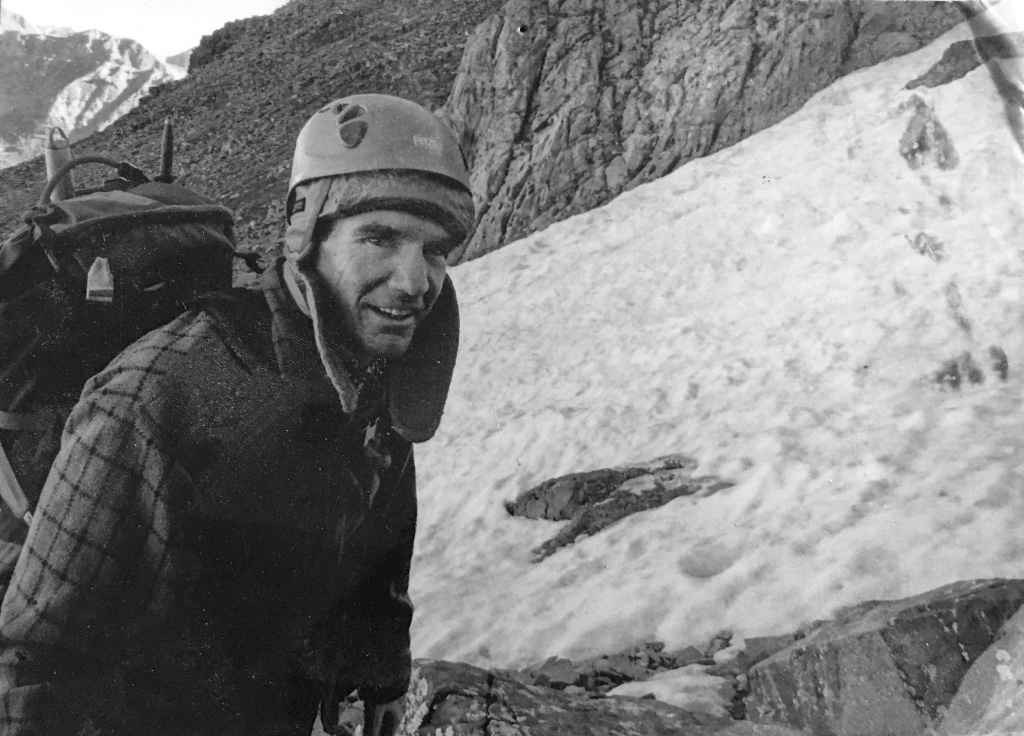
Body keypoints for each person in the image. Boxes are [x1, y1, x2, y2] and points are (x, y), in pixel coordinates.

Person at [0, 93, 475, 736]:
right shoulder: (160, 395)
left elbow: (379, 539)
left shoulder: (369, 369)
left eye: (437, 249)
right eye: (380, 237)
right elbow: (36, 656)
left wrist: (380, 670)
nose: (415, 280)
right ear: (307, 236)